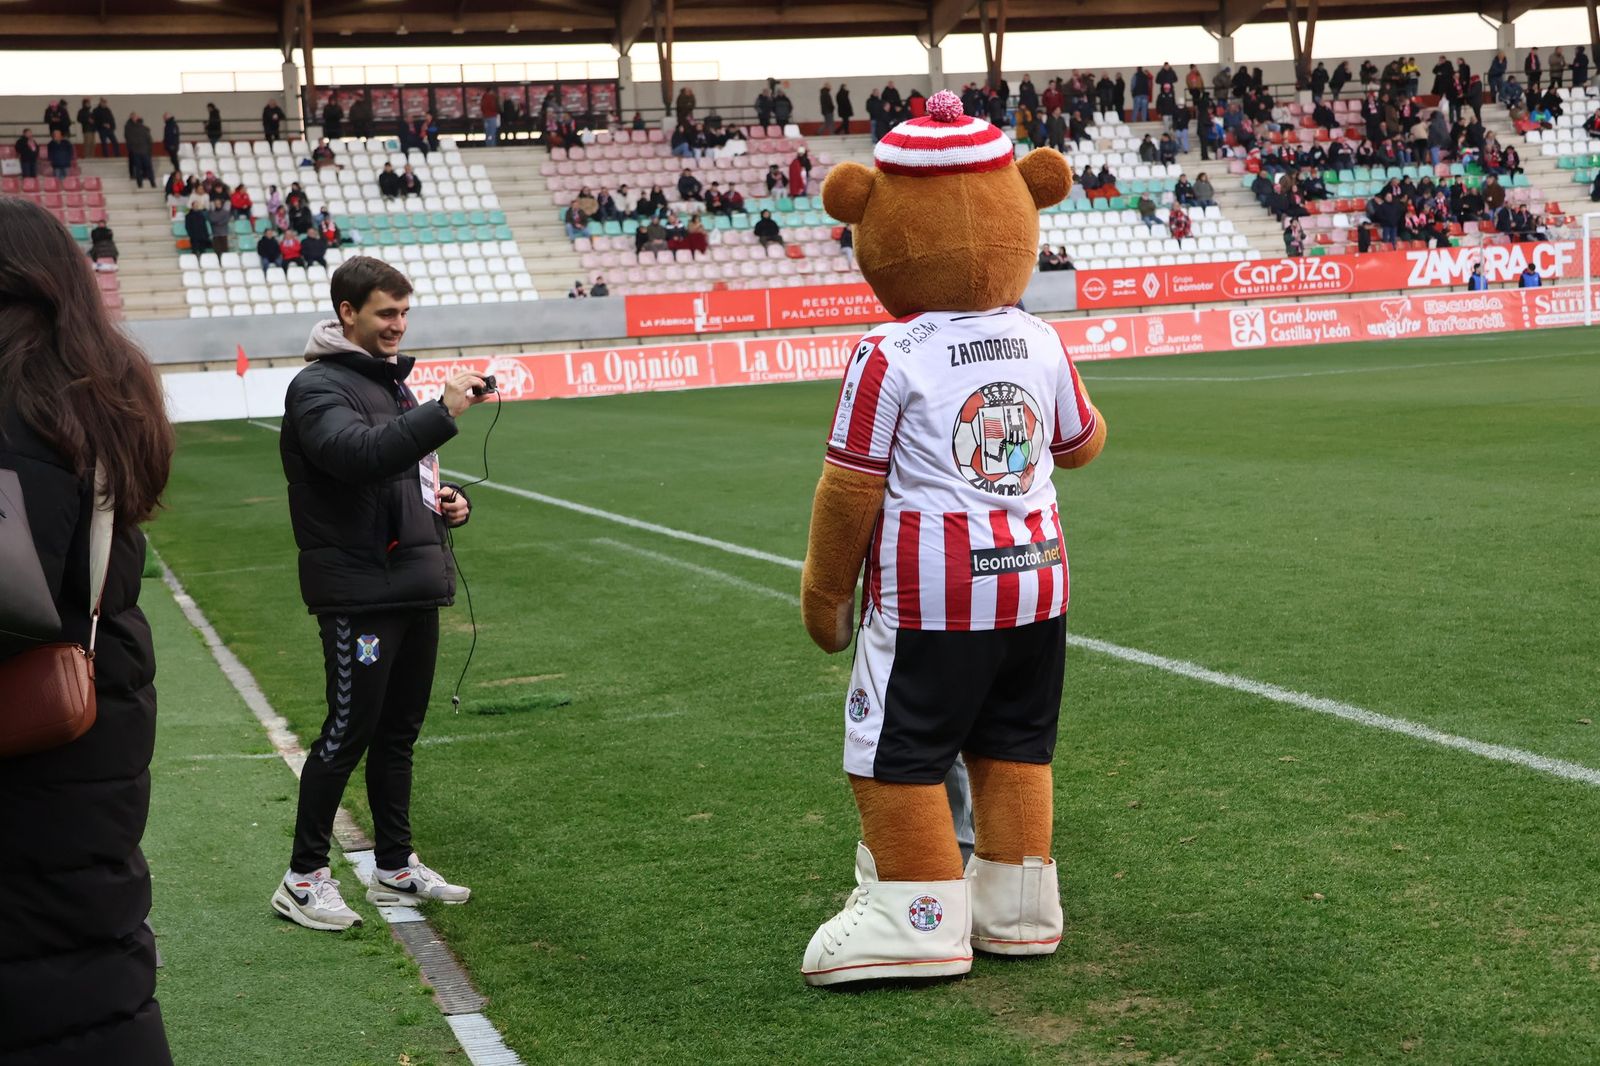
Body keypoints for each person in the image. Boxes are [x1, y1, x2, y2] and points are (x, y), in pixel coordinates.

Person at [0, 196, 177, 1066]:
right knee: (90, 962)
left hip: (30, 756)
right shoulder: (94, 390)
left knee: (55, 981)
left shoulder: (17, 412)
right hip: (87, 726)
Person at [271, 257, 485, 932]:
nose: (398, 325)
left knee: (398, 734)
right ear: (347, 313)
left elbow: (399, 477)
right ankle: (303, 879)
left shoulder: (390, 389)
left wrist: (450, 506)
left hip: (410, 583)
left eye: (403, 313)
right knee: (347, 731)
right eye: (385, 313)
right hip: (358, 593)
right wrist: (440, 412)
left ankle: (394, 865)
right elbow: (358, 457)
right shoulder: (315, 389)